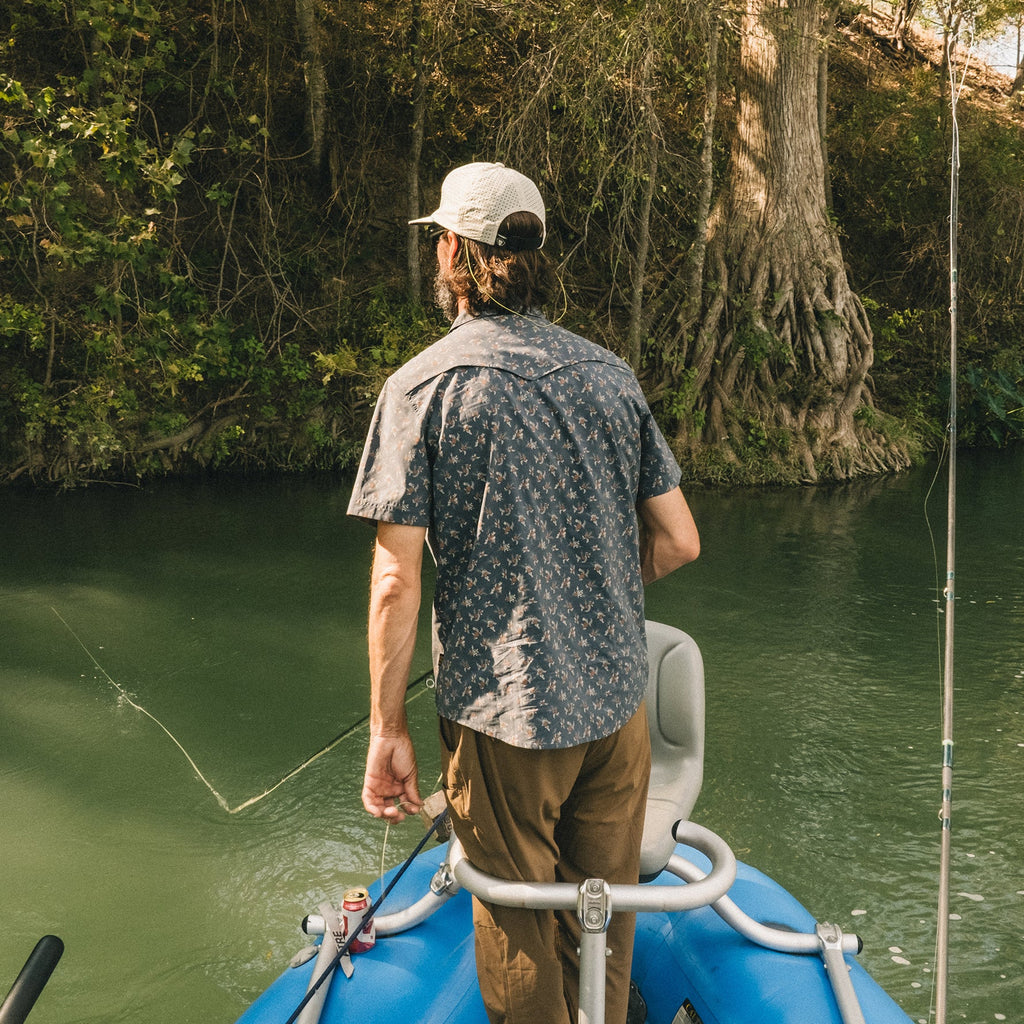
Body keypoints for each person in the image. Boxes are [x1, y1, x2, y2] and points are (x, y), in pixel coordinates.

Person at [347, 161, 699, 1024]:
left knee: (516, 924)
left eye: (439, 241)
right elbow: (681, 541)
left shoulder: (421, 389)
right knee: (603, 915)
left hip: (507, 717)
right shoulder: (611, 376)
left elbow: (397, 578)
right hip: (619, 710)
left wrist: (389, 729)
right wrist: (600, 589)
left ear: (453, 256)